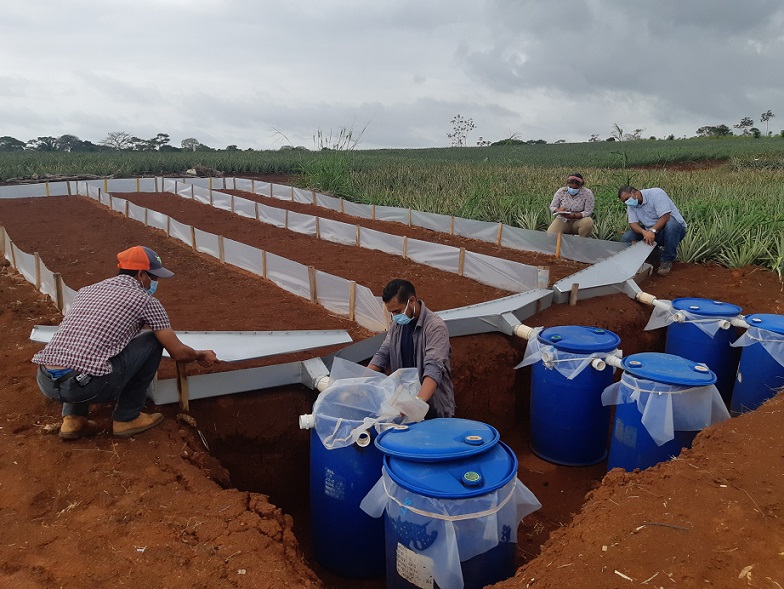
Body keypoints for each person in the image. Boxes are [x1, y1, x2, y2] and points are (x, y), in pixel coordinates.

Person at [33, 245, 218, 440]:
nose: (154, 283)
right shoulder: (146, 301)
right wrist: (200, 354)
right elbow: (178, 352)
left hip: (46, 380)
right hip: (86, 386)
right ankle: (127, 417)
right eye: (153, 277)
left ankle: (73, 419)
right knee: (153, 340)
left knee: (83, 347)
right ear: (140, 275)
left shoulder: (87, 291)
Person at [368, 279, 455, 419]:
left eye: (397, 311)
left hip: (432, 410)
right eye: (392, 313)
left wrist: (417, 403)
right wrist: (361, 382)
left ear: (412, 301)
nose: (395, 317)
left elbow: (434, 369)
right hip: (404, 407)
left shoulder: (435, 327)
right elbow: (383, 354)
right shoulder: (397, 326)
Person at [617, 186, 688, 276]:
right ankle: (655, 255)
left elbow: (665, 216)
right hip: (651, 233)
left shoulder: (656, 194)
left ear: (634, 192)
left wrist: (652, 231)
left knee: (671, 224)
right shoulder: (631, 205)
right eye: (624, 201)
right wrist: (644, 232)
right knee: (627, 237)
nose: (627, 202)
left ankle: (667, 260)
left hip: (672, 231)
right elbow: (633, 224)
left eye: (627, 199)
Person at [547, 173, 595, 238]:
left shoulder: (587, 193)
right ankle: (559, 246)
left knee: (588, 222)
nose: (572, 189)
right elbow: (552, 206)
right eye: (570, 187)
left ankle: (581, 242)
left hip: (578, 221)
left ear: (580, 186)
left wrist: (574, 215)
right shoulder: (561, 191)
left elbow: (588, 211)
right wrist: (558, 210)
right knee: (550, 235)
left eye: (575, 188)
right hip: (563, 219)